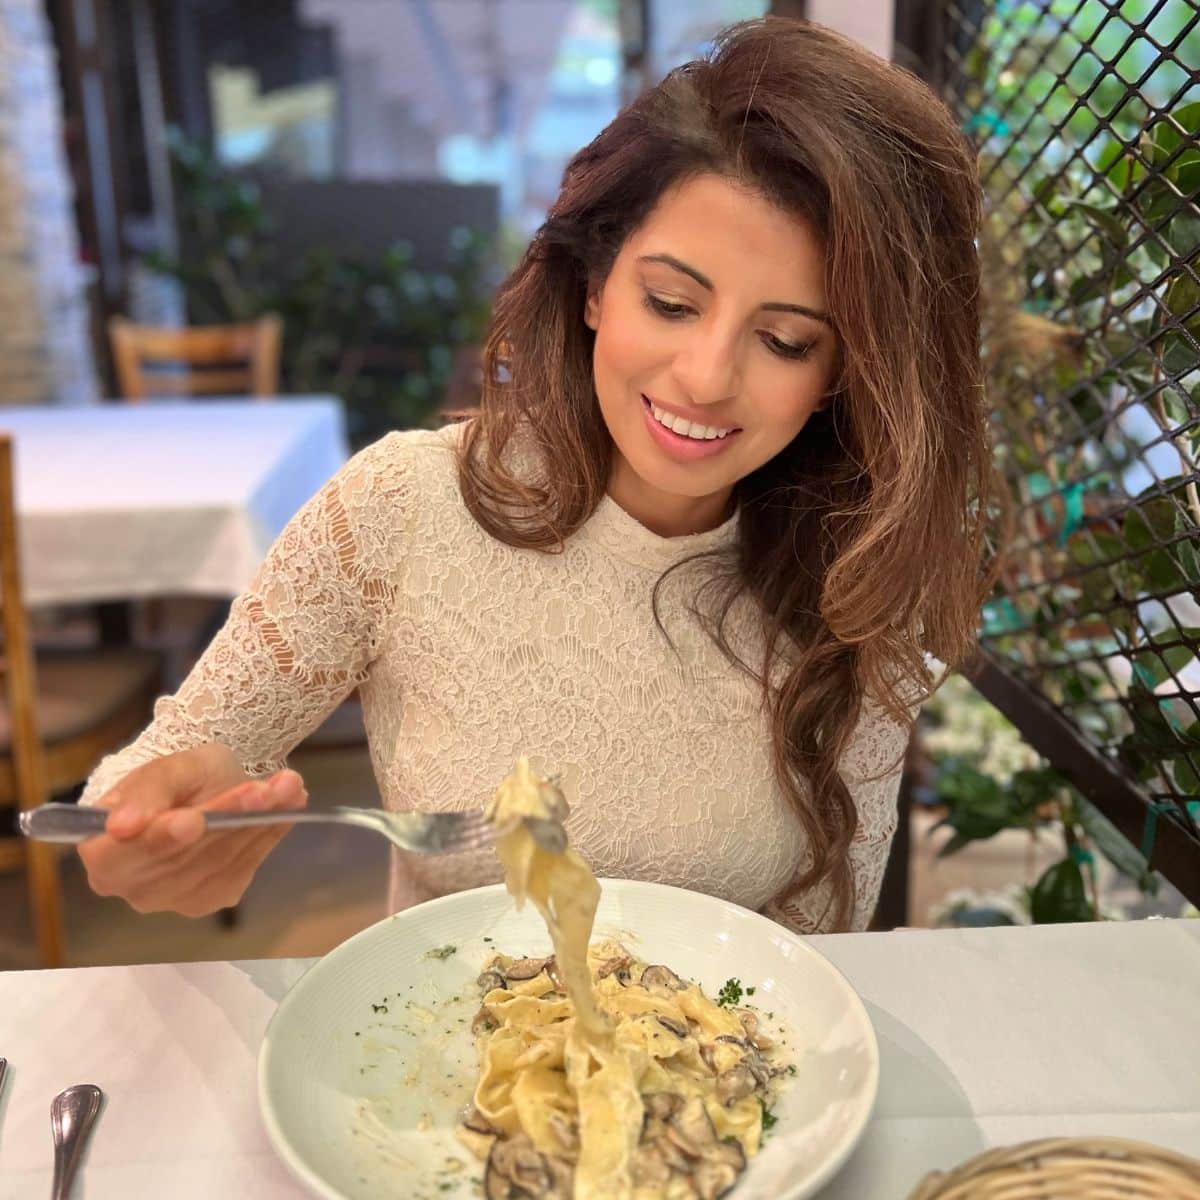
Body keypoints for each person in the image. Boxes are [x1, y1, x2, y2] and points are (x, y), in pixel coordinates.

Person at [77, 16, 997, 935]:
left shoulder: (860, 577)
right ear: (594, 286)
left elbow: (826, 947)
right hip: (447, 1021)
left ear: (843, 372)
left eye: (786, 340)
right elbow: (167, 767)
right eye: (670, 303)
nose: (707, 378)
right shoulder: (402, 510)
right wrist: (147, 832)